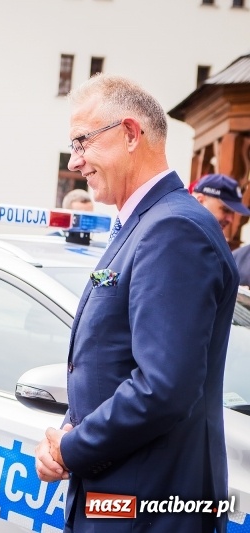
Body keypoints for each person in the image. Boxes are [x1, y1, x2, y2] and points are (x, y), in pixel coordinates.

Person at [35, 74, 237, 532]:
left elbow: (163, 386)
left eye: (82, 142)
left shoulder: (172, 231)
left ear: (129, 134)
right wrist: (68, 433)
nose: (75, 161)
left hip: (147, 506)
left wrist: (72, 449)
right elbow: (110, 361)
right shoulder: (146, 224)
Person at [191, 173, 250, 240]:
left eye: (233, 212)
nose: (230, 219)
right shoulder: (179, 231)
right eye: (226, 210)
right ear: (200, 201)